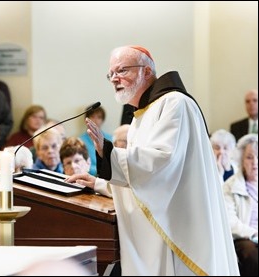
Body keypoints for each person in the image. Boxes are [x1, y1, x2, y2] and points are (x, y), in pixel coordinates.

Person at [68, 45, 239, 275]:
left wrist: (109, 153)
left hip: (184, 228)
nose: (114, 79)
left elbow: (161, 164)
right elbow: (145, 181)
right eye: (111, 74)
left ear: (147, 72)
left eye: (122, 70)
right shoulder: (143, 114)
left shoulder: (174, 104)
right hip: (167, 226)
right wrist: (99, 183)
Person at [223, 134, 258, 276]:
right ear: (241, 160)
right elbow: (230, 222)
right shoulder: (230, 186)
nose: (255, 162)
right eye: (249, 157)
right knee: (252, 254)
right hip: (244, 238)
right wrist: (254, 233)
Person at [79, 106, 112, 176]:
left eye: (99, 117)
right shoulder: (80, 140)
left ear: (102, 120)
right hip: (87, 176)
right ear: (86, 119)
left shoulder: (111, 139)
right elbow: (80, 163)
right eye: (92, 116)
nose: (95, 120)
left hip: (106, 177)